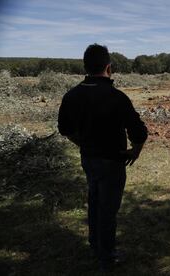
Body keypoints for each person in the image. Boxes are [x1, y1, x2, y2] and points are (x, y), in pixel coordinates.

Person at [58, 44, 148, 270]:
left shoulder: (71, 96)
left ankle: (94, 243)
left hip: (88, 159)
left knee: (95, 200)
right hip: (113, 161)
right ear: (109, 67)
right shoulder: (117, 97)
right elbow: (138, 131)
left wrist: (83, 144)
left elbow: (65, 129)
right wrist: (135, 151)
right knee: (108, 209)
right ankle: (107, 256)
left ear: (85, 67)